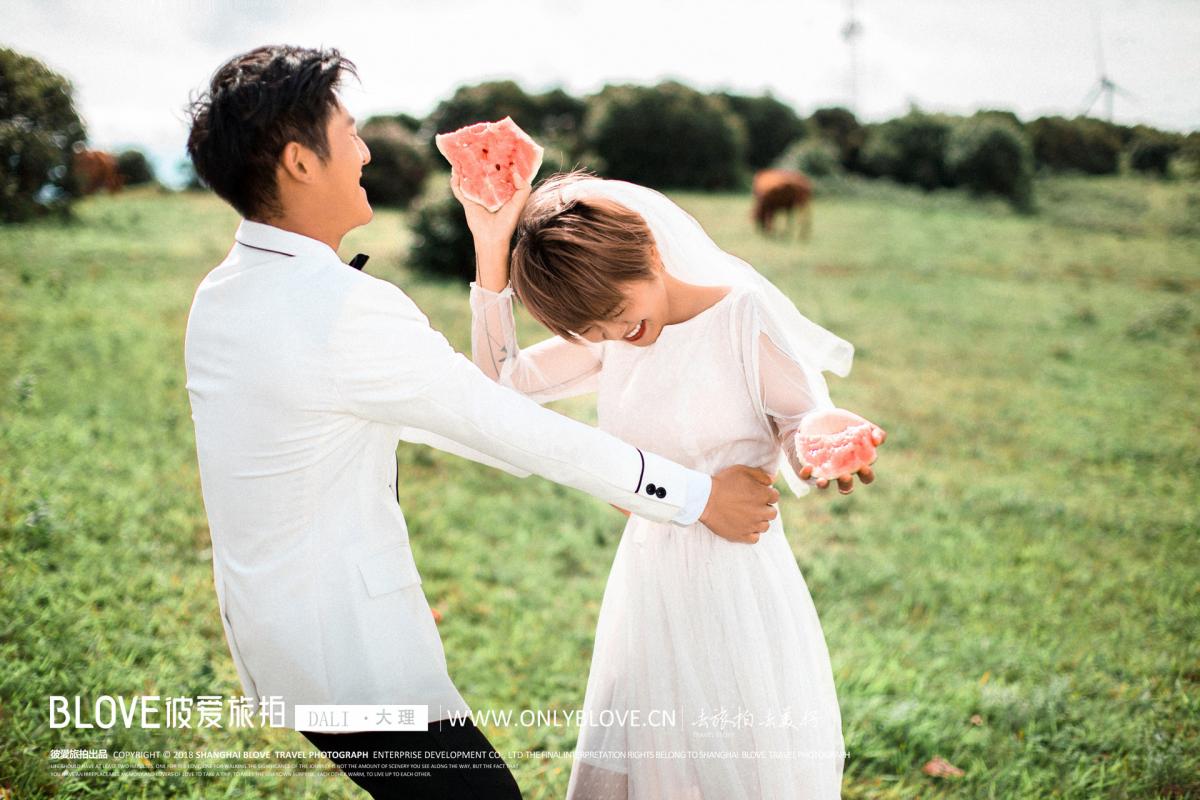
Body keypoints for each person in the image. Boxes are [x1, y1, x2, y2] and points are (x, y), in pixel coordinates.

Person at [182, 45, 782, 800]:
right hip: (353, 652)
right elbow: (512, 427)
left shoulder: (222, 292)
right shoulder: (341, 310)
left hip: (273, 635)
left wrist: (491, 244)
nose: (366, 151)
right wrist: (698, 497)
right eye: (351, 131)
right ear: (301, 163)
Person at [457, 167, 888, 799]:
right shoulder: (613, 341)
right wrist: (490, 250)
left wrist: (825, 442)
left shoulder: (741, 317)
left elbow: (799, 420)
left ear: (651, 253)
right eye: (592, 333)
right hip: (648, 575)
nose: (613, 335)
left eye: (615, 314)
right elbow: (499, 388)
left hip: (733, 576)